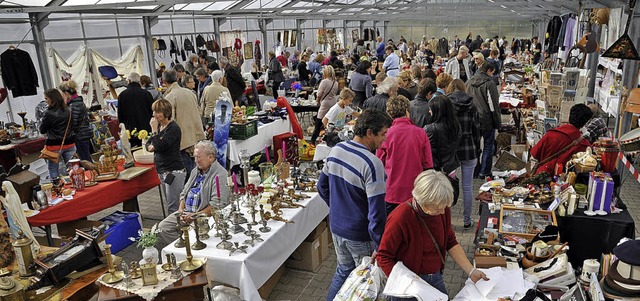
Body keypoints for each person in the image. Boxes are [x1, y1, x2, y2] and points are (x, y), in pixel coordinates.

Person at [317, 109, 393, 301]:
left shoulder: (336, 150)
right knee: (364, 281)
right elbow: (377, 213)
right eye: (383, 134)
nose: (384, 140)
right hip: (360, 234)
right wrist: (379, 244)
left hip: (337, 228)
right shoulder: (372, 163)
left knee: (343, 271)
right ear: (370, 133)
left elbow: (321, 186)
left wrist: (337, 210)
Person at [377, 170, 489, 298]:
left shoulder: (443, 209)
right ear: (422, 201)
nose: (442, 212)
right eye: (437, 208)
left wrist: (471, 271)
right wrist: (406, 284)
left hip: (435, 276)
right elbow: (384, 256)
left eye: (444, 207)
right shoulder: (400, 217)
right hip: (409, 285)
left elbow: (450, 241)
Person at [157, 141, 230, 246]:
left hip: (202, 217)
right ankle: (185, 248)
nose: (196, 161)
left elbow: (217, 205)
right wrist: (181, 210)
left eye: (198, 157)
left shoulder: (220, 174)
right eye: (195, 157)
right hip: (186, 212)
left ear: (210, 157)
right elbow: (183, 193)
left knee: (193, 234)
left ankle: (190, 249)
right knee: (163, 228)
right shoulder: (195, 171)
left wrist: (194, 216)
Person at [376, 95, 432, 214]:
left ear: (390, 114)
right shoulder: (420, 133)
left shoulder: (386, 135)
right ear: (407, 111)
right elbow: (428, 164)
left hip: (391, 191)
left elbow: (378, 162)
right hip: (414, 191)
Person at [447, 79, 480, 229]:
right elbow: (476, 130)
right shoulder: (471, 105)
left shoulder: (446, 104)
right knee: (467, 187)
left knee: (447, 186)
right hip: (468, 148)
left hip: (451, 150)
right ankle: (467, 220)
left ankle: (447, 222)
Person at [145, 98, 186, 215]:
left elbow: (160, 145)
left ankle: (177, 230)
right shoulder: (160, 127)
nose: (154, 115)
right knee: (170, 202)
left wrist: (154, 132)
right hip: (162, 170)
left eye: (157, 112)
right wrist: (153, 144)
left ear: (166, 113)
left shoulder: (173, 128)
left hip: (173, 171)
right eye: (153, 112)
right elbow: (149, 143)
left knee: (174, 206)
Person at [162, 70, 205, 179]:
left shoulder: (170, 97)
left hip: (182, 142)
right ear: (177, 79)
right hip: (195, 137)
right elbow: (199, 112)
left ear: (164, 81)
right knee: (197, 173)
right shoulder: (190, 93)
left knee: (188, 178)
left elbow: (169, 121)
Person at [531, 104, 593, 175]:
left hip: (541, 175)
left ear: (569, 117)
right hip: (565, 182)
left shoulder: (550, 134)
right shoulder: (584, 145)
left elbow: (534, 154)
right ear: (584, 124)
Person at [466, 62, 500, 178]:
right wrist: (497, 122)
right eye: (492, 72)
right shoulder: (490, 83)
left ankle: (475, 170)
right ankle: (484, 171)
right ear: (489, 71)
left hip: (472, 118)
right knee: (488, 145)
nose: (492, 75)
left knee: (475, 145)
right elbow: (494, 105)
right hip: (486, 119)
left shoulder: (469, 82)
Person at [425, 95, 461, 204]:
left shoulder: (430, 129)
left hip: (436, 170)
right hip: (450, 168)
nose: (429, 111)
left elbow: (427, 150)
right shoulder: (455, 126)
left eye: (431, 109)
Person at [40, 89, 76, 186]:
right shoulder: (69, 110)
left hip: (53, 146)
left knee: (53, 169)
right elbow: (73, 126)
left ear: (52, 99)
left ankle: (57, 188)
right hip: (70, 143)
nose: (46, 101)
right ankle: (76, 185)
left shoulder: (48, 113)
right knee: (73, 168)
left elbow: (42, 130)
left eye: (46, 98)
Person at [117, 72, 154, 147]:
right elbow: (153, 112)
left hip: (130, 131)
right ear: (139, 81)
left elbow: (120, 116)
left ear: (129, 81)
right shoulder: (146, 94)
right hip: (147, 130)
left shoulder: (122, 95)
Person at [58, 80, 93, 161]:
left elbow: (73, 123)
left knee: (84, 159)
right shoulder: (76, 102)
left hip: (80, 136)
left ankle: (92, 173)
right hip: (82, 134)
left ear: (66, 93)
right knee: (85, 158)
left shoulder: (74, 104)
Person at [309, 65, 340, 145]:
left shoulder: (324, 81)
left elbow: (319, 94)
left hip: (325, 103)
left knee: (318, 123)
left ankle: (312, 141)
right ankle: (328, 139)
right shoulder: (335, 82)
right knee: (329, 122)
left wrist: (318, 101)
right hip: (333, 102)